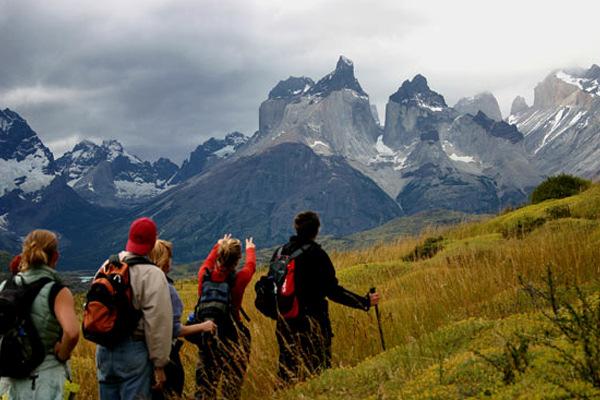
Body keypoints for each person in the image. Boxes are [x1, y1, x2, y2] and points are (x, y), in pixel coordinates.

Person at [274, 211, 380, 384]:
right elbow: (333, 291)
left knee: (286, 376)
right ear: (317, 230)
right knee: (318, 375)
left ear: (296, 228)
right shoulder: (317, 254)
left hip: (284, 324)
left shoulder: (279, 253)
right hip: (313, 323)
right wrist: (365, 302)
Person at [95, 217, 173, 400]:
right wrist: (159, 364)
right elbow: (158, 322)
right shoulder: (152, 274)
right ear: (152, 242)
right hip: (134, 350)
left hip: (104, 349)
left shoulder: (108, 265)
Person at [0, 230, 79, 399]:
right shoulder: (57, 291)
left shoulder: (6, 287)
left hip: (12, 377)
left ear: (25, 254)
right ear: (55, 256)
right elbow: (72, 333)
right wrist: (62, 354)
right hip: (46, 376)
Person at [147, 239, 217, 399]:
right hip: (167, 356)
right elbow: (174, 329)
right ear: (164, 260)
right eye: (169, 257)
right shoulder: (167, 288)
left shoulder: (143, 285)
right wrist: (203, 326)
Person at [195, 234, 256, 400]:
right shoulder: (239, 279)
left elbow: (209, 260)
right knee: (231, 389)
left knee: (205, 388)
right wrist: (250, 249)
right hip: (233, 336)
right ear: (237, 260)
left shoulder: (204, 274)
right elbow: (251, 266)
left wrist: (218, 244)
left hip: (207, 336)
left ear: (219, 256)